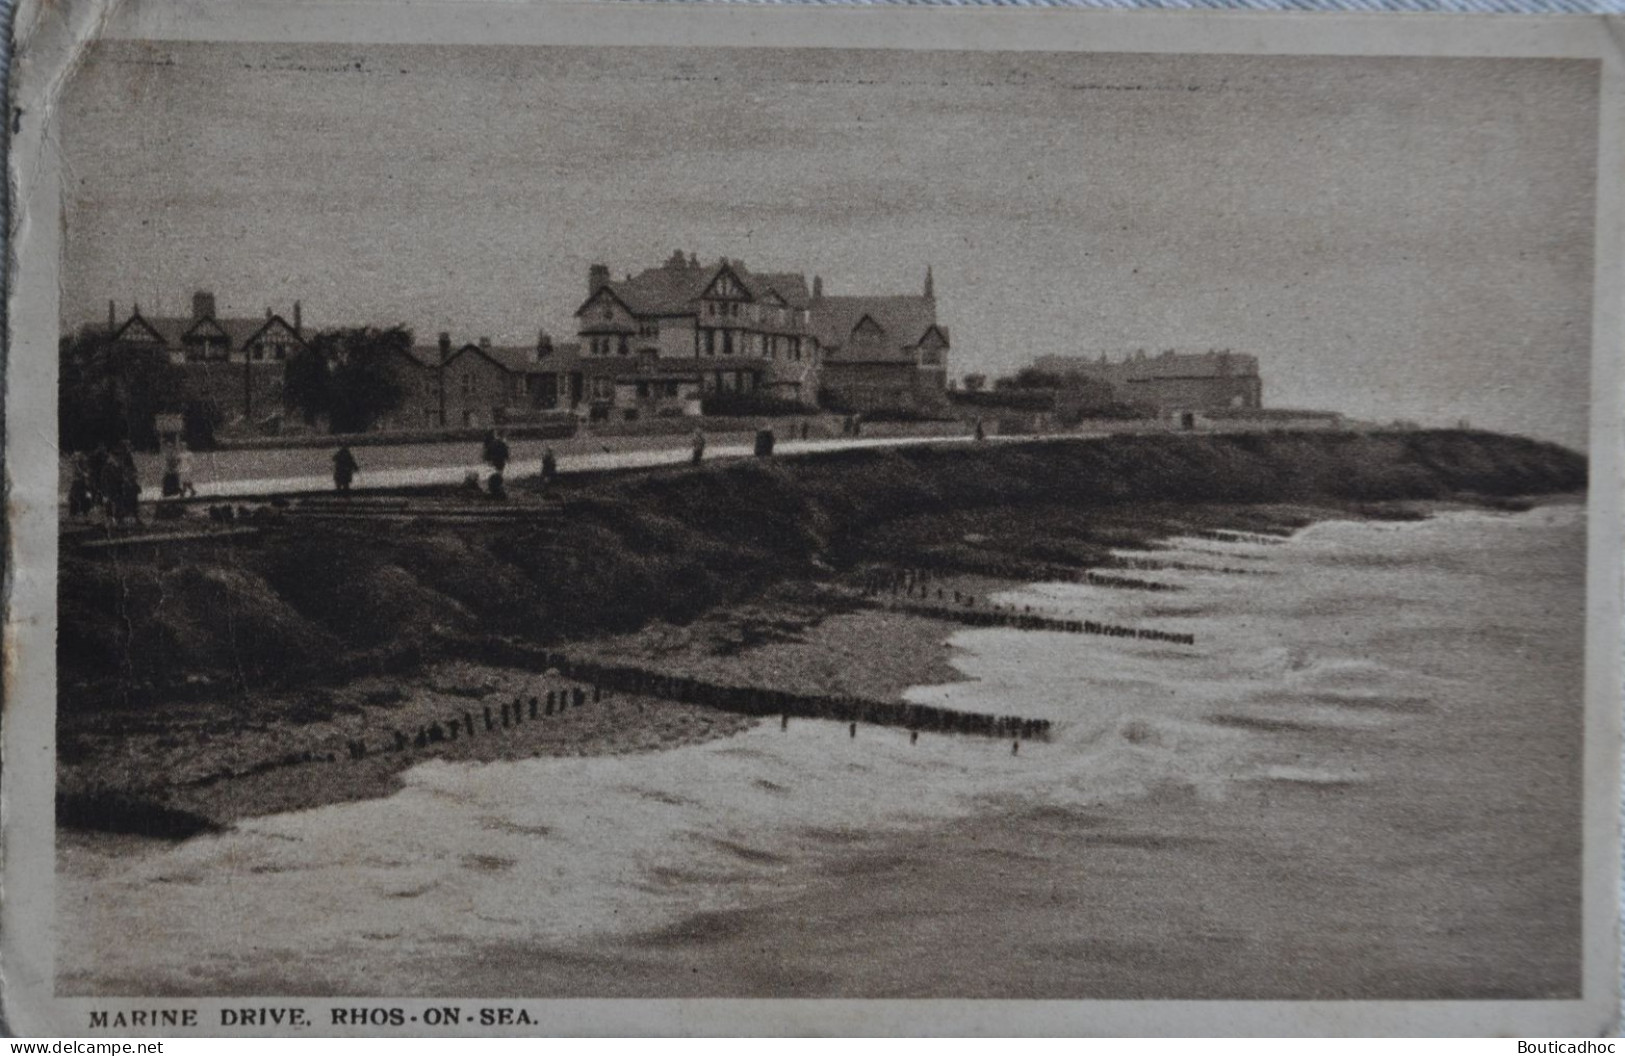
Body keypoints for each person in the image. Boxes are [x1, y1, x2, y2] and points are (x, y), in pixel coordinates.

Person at [67, 454, 92, 519]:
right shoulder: (76, 467)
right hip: (78, 484)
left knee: (86, 498)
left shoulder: (85, 467)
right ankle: (74, 514)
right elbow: (77, 475)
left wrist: (84, 474)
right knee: (75, 498)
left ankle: (85, 513)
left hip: (84, 484)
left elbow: (87, 474)